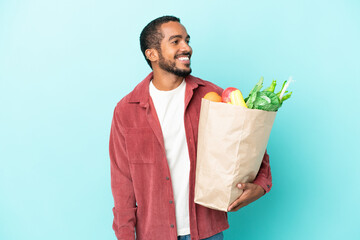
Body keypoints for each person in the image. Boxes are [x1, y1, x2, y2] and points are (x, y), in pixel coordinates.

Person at [109, 16, 272, 240]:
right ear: (152, 54)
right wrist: (125, 235)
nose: (187, 47)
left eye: (187, 40)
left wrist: (261, 185)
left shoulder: (213, 96)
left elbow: (250, 146)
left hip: (206, 231)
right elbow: (122, 182)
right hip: (153, 234)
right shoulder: (126, 110)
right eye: (175, 41)